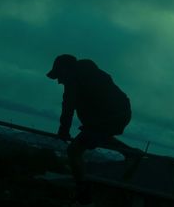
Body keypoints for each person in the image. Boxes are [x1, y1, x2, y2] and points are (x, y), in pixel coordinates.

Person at [47, 54, 135, 206]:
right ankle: (130, 153)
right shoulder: (89, 74)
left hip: (108, 118)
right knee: (95, 134)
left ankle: (83, 191)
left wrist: (63, 130)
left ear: (65, 70)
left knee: (73, 151)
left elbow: (68, 106)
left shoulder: (74, 79)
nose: (59, 81)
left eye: (59, 76)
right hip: (119, 114)